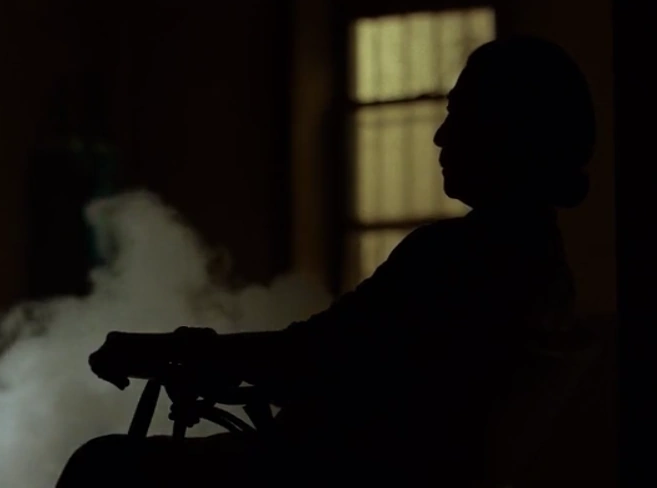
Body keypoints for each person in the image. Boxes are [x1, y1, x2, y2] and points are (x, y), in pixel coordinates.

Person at [56, 36, 597, 487]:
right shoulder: (538, 266)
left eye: (458, 115)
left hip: (337, 472)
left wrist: (173, 352)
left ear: (503, 133)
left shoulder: (459, 258)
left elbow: (313, 356)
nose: (439, 135)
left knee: (103, 467)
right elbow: (334, 358)